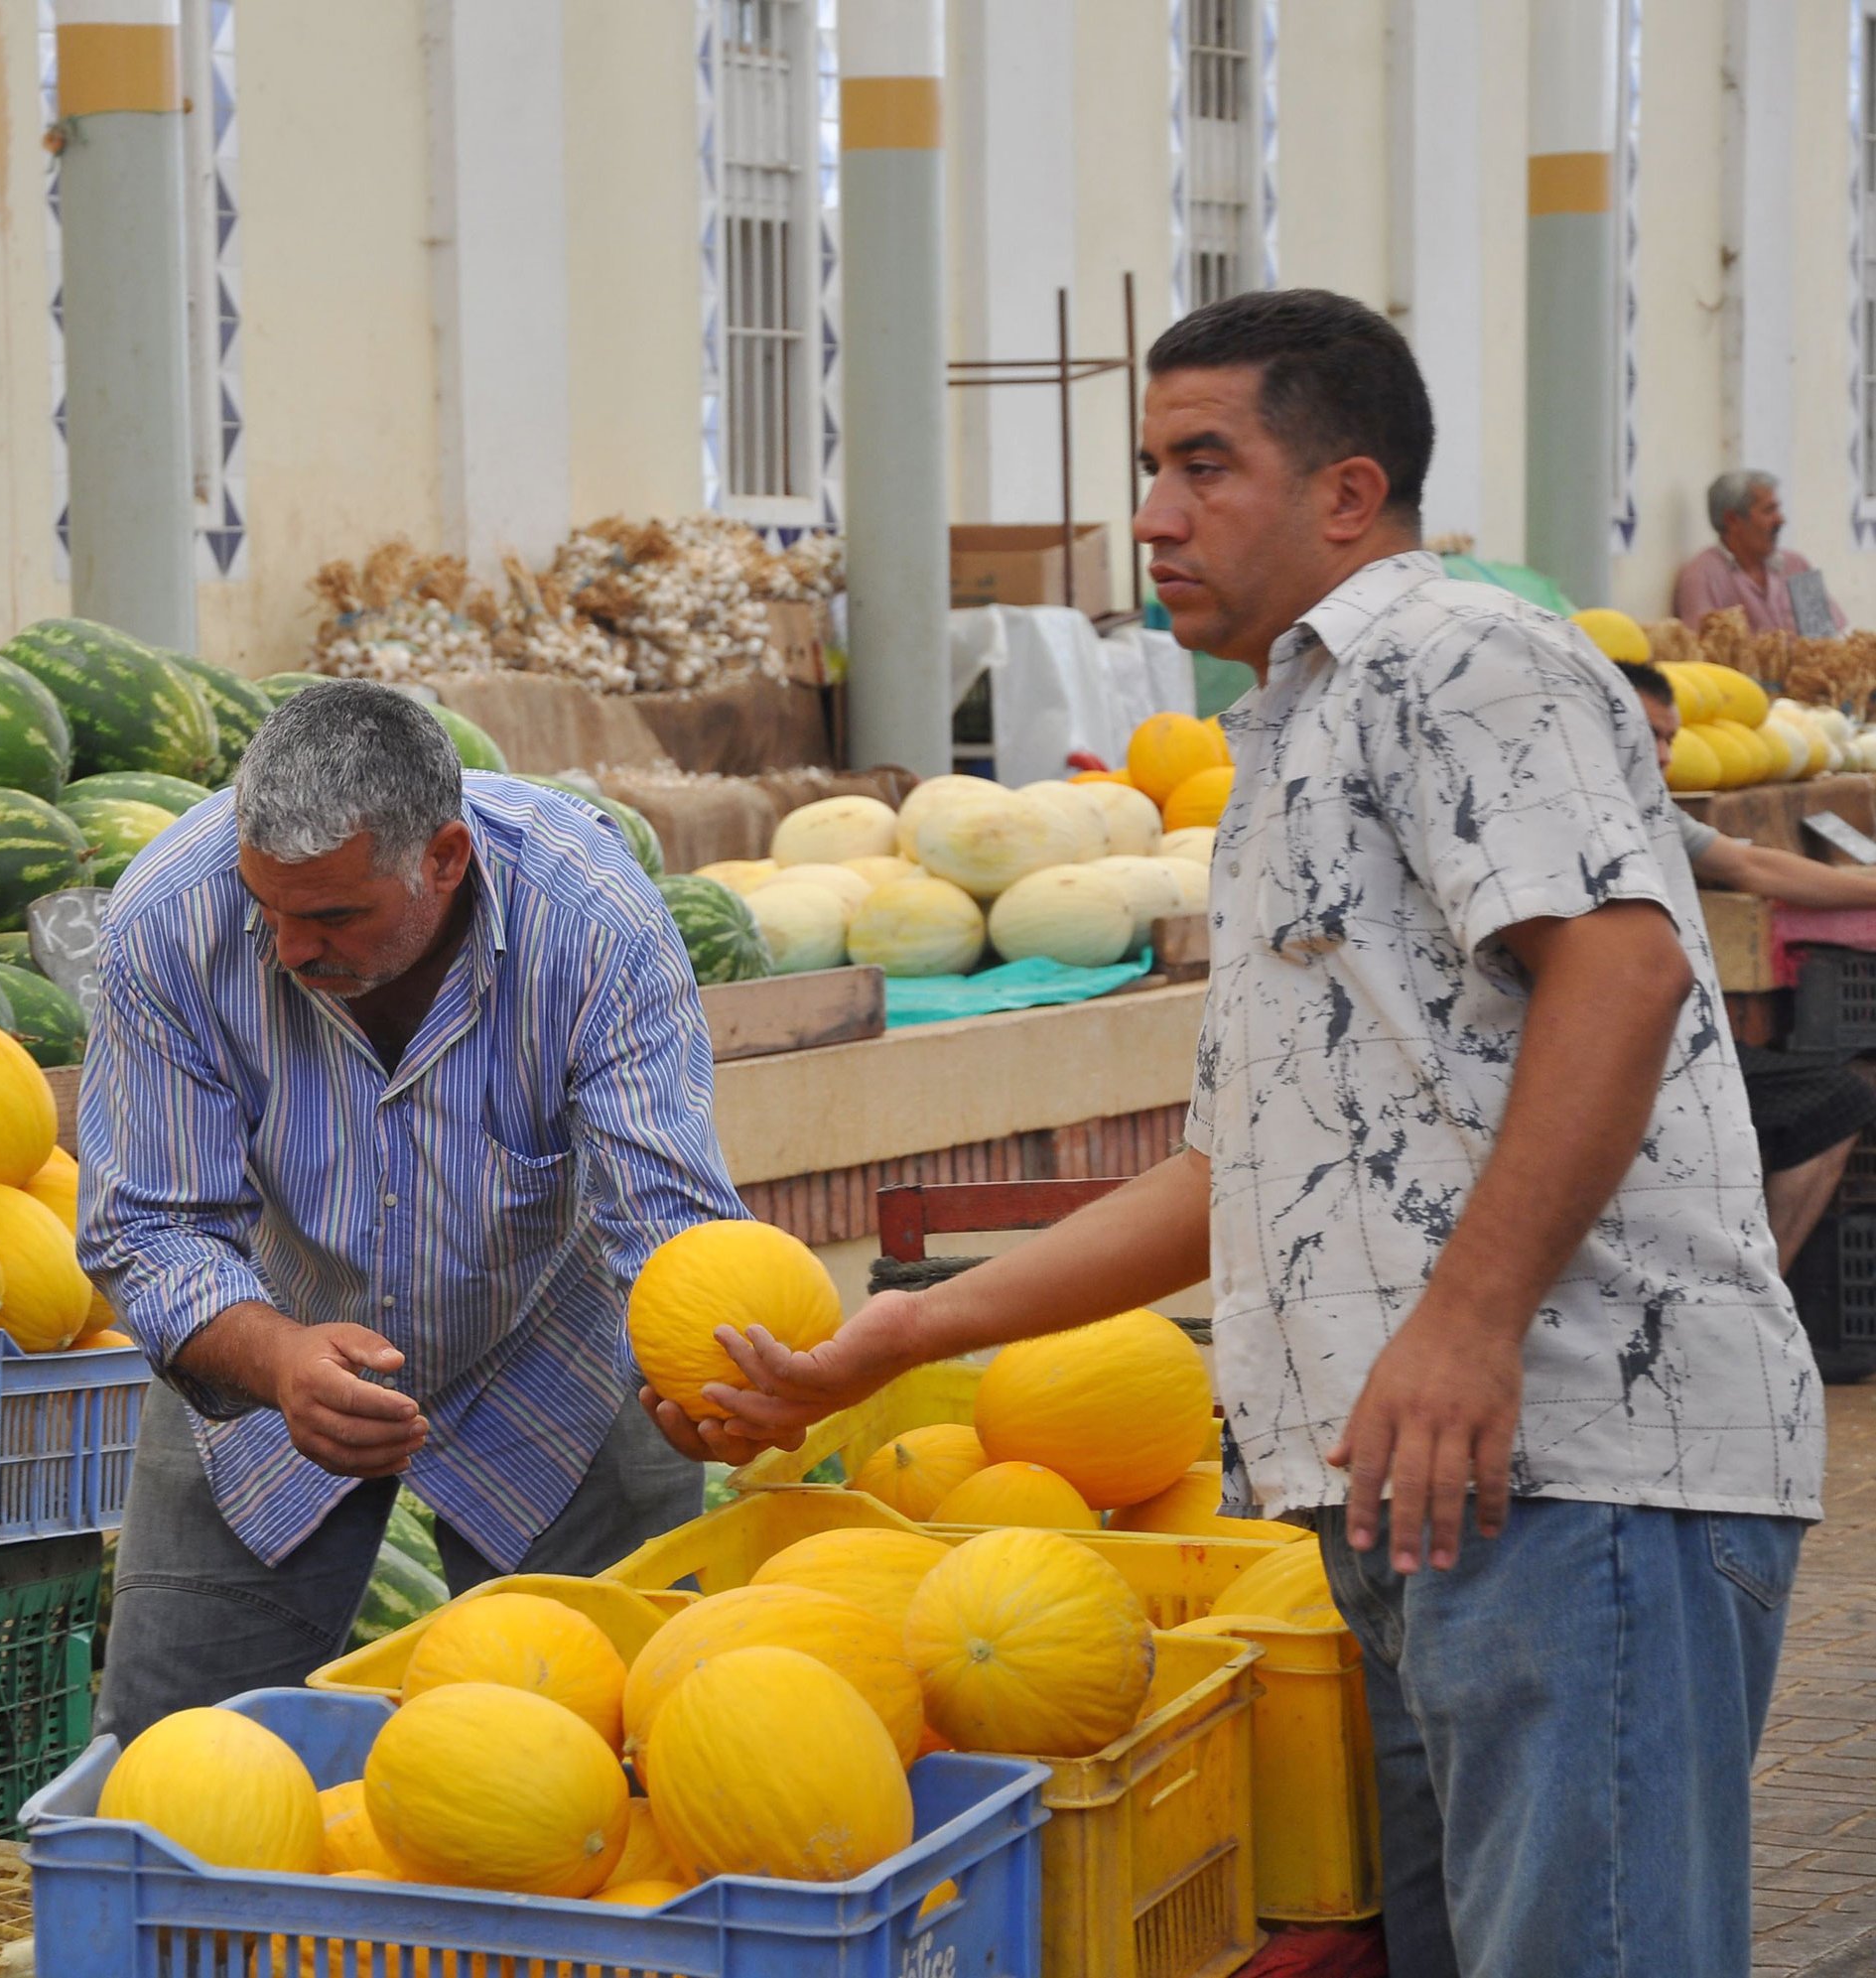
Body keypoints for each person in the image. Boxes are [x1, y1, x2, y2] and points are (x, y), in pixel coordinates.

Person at [652, 290, 1826, 1978]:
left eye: (1204, 464)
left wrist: (1469, 1318)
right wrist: (898, 1333)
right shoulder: (1286, 730)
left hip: (1583, 1462)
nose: (1150, 513)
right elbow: (1237, 1176)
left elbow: (1622, 972)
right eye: (1148, 464)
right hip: (1429, 1493)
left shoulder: (1459, 655)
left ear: (1347, 493)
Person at [81, 681, 740, 1741]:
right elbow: (150, 1226)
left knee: (591, 1760)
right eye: (271, 908)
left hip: (557, 1361)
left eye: (336, 913)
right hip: (266, 1341)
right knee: (171, 1763)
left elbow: (662, 1217)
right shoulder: (169, 918)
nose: (292, 947)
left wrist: (716, 1365)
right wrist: (277, 1357)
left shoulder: (589, 916)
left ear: (443, 858)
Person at [1621, 658, 1876, 1269]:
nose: (1660, 755)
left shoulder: (1652, 810)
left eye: (1669, 739)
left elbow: (1749, 866)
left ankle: (1764, 1290)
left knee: (1838, 1100)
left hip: (1668, 1041)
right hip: (1599, 1052)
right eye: (1644, 734)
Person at [1673, 469, 1844, 634]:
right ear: (1732, 520)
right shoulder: (1702, 577)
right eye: (1769, 510)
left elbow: (1825, 639)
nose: (1780, 520)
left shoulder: (1796, 565)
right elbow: (1701, 655)